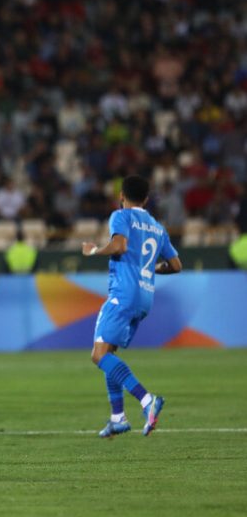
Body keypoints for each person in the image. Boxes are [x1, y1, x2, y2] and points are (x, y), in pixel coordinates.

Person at [82, 175, 180, 438]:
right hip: (145, 298)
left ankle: (147, 400)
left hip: (123, 294)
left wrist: (92, 251)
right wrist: (149, 270)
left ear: (122, 196)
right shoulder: (158, 228)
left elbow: (120, 245)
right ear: (146, 199)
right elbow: (176, 265)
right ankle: (118, 418)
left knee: (98, 354)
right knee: (110, 352)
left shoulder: (120, 216)